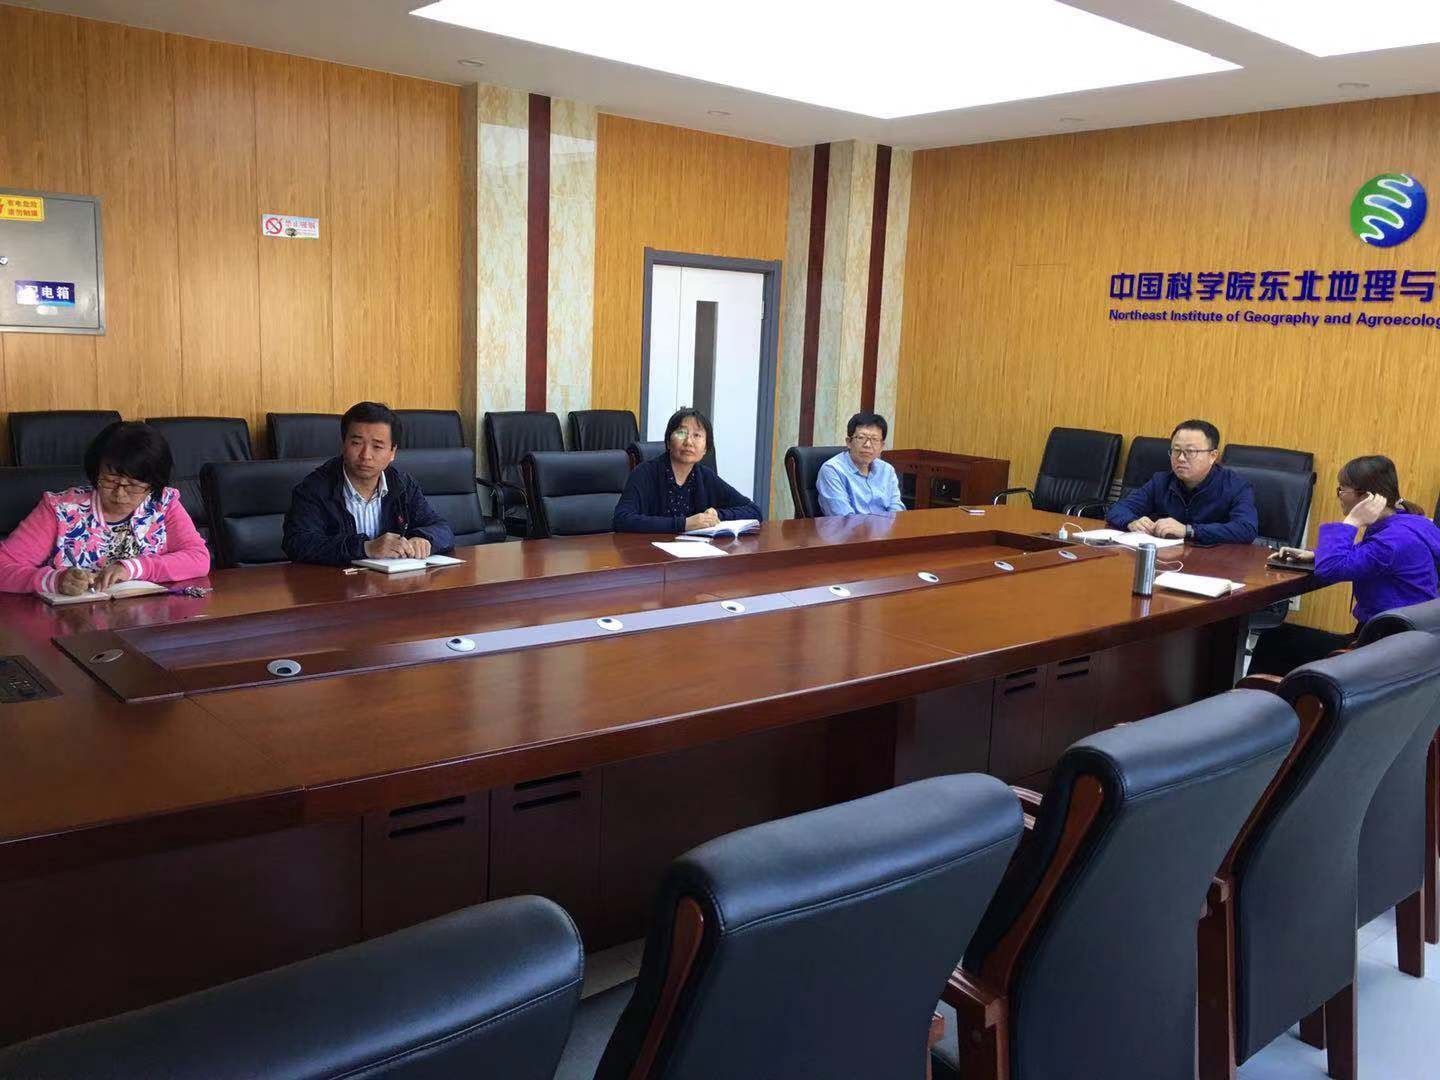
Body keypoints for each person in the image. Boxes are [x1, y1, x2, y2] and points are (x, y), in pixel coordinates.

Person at [1249, 455, 1440, 675]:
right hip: (1408, 643)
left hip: (1382, 650)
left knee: (1274, 642)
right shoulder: (1414, 524)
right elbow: (1367, 555)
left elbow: (1331, 569)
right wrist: (1315, 554)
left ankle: (1252, 695)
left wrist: (1352, 521)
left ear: (1366, 497)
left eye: (1342, 490)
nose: (1339, 496)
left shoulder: (1392, 542)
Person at [0, 420, 210, 595]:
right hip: (74, 622)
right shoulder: (60, 510)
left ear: (153, 484)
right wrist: (54, 580)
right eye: (110, 481)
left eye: (134, 486)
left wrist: (133, 567)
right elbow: (3, 567)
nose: (120, 494)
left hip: (150, 620)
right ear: (95, 474)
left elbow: (198, 558)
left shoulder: (163, 503)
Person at [283, 401, 454, 566]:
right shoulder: (314, 488)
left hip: (394, 582)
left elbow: (442, 529)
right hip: (336, 583)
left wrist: (424, 538)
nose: (365, 455)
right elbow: (298, 543)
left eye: (377, 447)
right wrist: (366, 548)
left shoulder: (403, 485)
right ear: (343, 444)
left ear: (392, 452)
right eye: (356, 443)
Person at [1104, 420, 1258, 544]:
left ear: (1212, 456)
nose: (1181, 458)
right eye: (1176, 450)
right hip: (1168, 560)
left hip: (1215, 563)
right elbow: (1117, 509)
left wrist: (1189, 531)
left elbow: (1246, 529)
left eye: (1190, 451)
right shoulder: (1161, 482)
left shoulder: (1236, 486)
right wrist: (1131, 522)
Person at [612, 407, 761, 533]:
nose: (689, 441)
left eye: (697, 435)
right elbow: (621, 519)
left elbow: (754, 511)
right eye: (681, 433)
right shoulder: (644, 473)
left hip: (695, 554)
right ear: (668, 442)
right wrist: (684, 524)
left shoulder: (705, 476)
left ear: (705, 449)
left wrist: (717, 514)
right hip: (650, 553)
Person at [816, 412, 905, 517]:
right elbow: (843, 518)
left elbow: (897, 510)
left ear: (882, 446)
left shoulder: (887, 470)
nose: (867, 445)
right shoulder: (832, 470)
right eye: (861, 438)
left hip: (886, 527)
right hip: (850, 527)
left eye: (874, 439)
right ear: (849, 442)